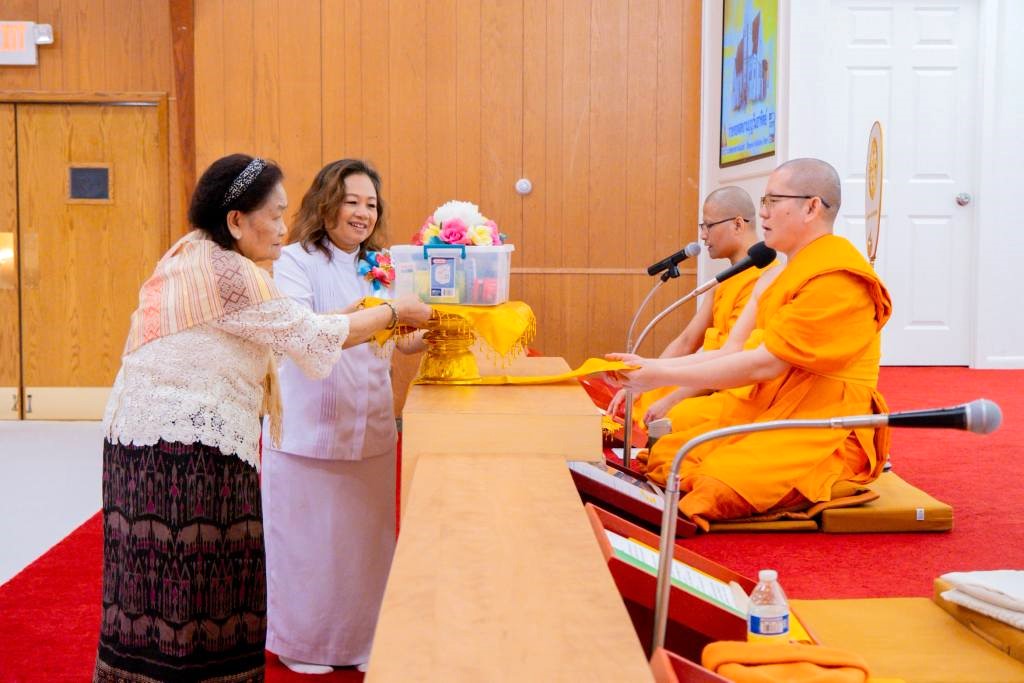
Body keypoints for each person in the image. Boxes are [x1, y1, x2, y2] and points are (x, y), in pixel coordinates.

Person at [93, 154, 432, 683]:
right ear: (235, 221)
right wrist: (393, 313)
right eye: (273, 216)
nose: (280, 228)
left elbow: (305, 326)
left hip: (144, 438)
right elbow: (310, 336)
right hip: (185, 448)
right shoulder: (236, 273)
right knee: (198, 581)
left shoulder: (194, 253)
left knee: (154, 586)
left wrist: (388, 323)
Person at [608, 158, 892, 529]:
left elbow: (765, 364)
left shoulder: (837, 278)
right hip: (771, 407)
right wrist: (651, 370)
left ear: (812, 206)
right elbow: (730, 352)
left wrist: (659, 374)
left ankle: (836, 477)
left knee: (713, 485)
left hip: (823, 426)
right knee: (669, 456)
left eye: (773, 202)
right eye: (763, 202)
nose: (763, 213)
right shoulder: (778, 276)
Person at [260, 159, 424, 675]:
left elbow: (398, 341)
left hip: (369, 426)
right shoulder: (294, 261)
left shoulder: (383, 265)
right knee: (307, 548)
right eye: (351, 201)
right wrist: (369, 313)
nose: (362, 213)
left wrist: (426, 335)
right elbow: (302, 332)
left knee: (366, 549)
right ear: (326, 204)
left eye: (371, 204)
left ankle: (362, 640)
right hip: (309, 429)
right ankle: (304, 643)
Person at [607, 186, 777, 428]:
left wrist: (671, 398)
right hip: (703, 374)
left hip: (728, 386)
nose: (703, 236)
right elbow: (688, 340)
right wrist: (644, 374)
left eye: (708, 226)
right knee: (638, 399)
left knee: (672, 416)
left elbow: (734, 360)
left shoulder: (764, 279)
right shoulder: (726, 279)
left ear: (738, 224)